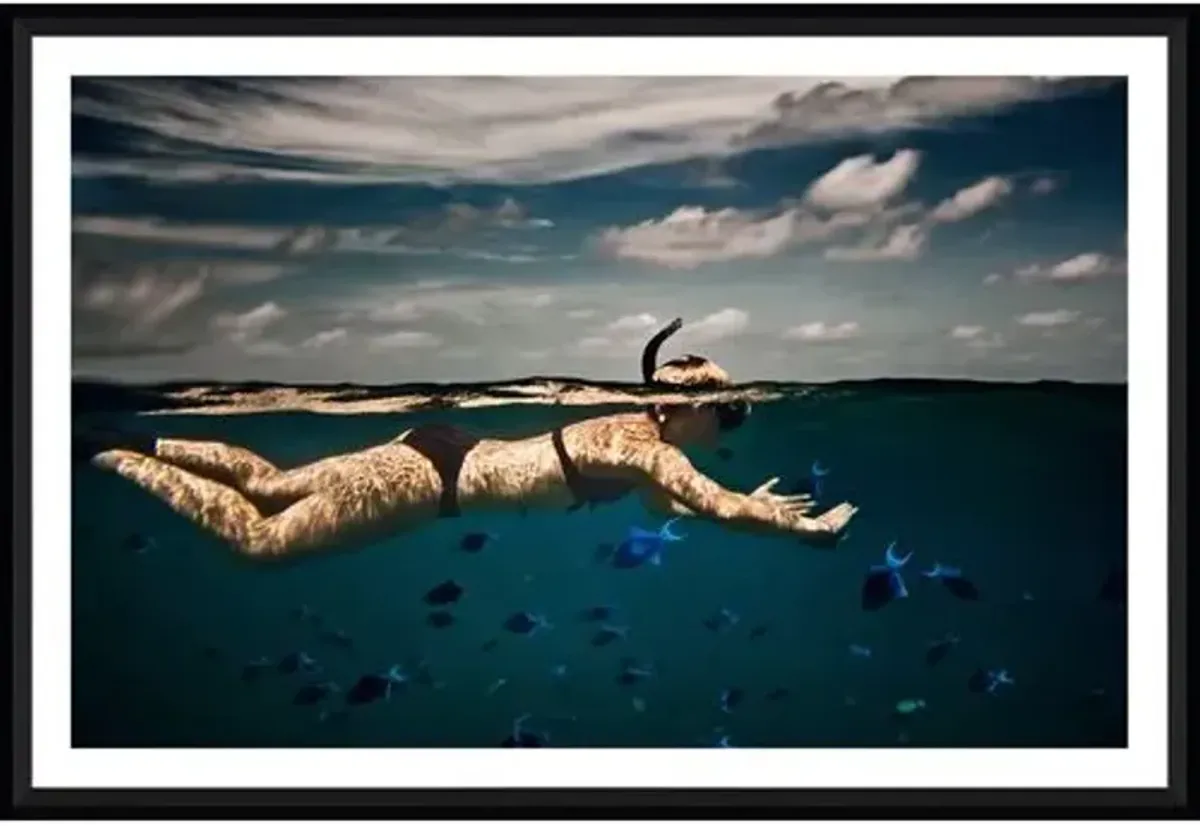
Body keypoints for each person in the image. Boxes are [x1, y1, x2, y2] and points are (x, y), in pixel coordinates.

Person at [75, 318, 859, 563]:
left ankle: (143, 444)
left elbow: (687, 506)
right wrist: (800, 529)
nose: (731, 420)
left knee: (277, 484)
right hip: (430, 483)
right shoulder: (646, 444)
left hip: (439, 451)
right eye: (727, 409)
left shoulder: (644, 445)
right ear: (672, 410)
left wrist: (735, 503)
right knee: (259, 537)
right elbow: (705, 506)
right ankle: (114, 453)